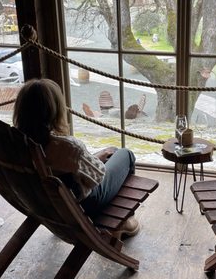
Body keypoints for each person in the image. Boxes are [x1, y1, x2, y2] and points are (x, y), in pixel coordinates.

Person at [13, 78, 139, 238]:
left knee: (106, 154)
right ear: (56, 110)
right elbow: (99, 176)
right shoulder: (66, 147)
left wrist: (93, 157)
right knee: (124, 154)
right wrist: (97, 158)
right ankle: (124, 221)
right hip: (84, 205)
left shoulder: (15, 144)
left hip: (46, 204)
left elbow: (62, 166)